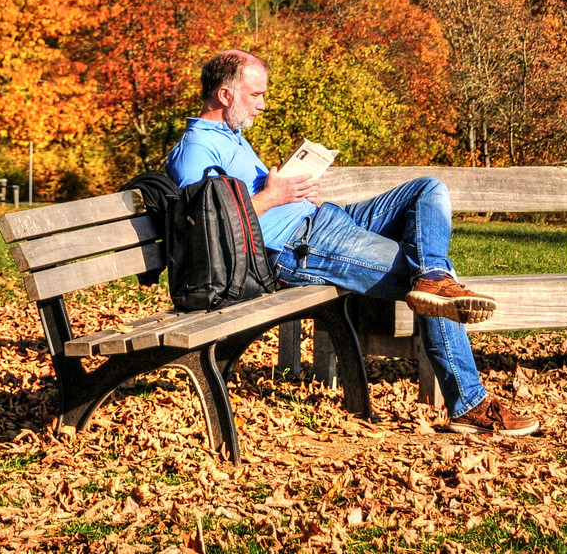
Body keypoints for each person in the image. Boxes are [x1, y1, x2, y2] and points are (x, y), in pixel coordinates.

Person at [165, 49, 540, 436]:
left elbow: (238, 202)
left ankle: (432, 275)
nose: (263, 104)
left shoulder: (231, 136)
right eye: (255, 94)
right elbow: (204, 232)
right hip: (300, 248)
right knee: (438, 285)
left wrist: (295, 192)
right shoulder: (196, 150)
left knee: (429, 190)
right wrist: (272, 198)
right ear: (226, 95)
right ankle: (469, 402)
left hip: (325, 220)